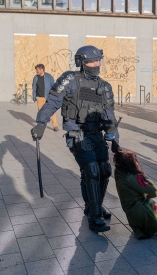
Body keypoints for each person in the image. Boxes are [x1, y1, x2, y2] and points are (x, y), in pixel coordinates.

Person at [31, 45, 122, 233]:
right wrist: (41, 123)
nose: (95, 64)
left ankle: (94, 205)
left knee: (105, 170)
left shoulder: (104, 86)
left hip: (97, 134)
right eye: (91, 61)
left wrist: (115, 140)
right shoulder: (70, 79)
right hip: (77, 133)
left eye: (98, 61)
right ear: (81, 62)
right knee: (91, 169)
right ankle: (94, 216)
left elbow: (110, 115)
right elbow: (53, 102)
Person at [32, 64, 59, 131]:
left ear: (42, 69)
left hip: (48, 97)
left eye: (37, 69)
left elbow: (53, 86)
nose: (36, 71)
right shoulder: (36, 77)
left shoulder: (49, 77)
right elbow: (34, 87)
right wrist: (35, 96)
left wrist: (53, 96)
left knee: (51, 111)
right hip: (39, 98)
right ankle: (41, 125)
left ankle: (55, 125)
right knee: (41, 113)